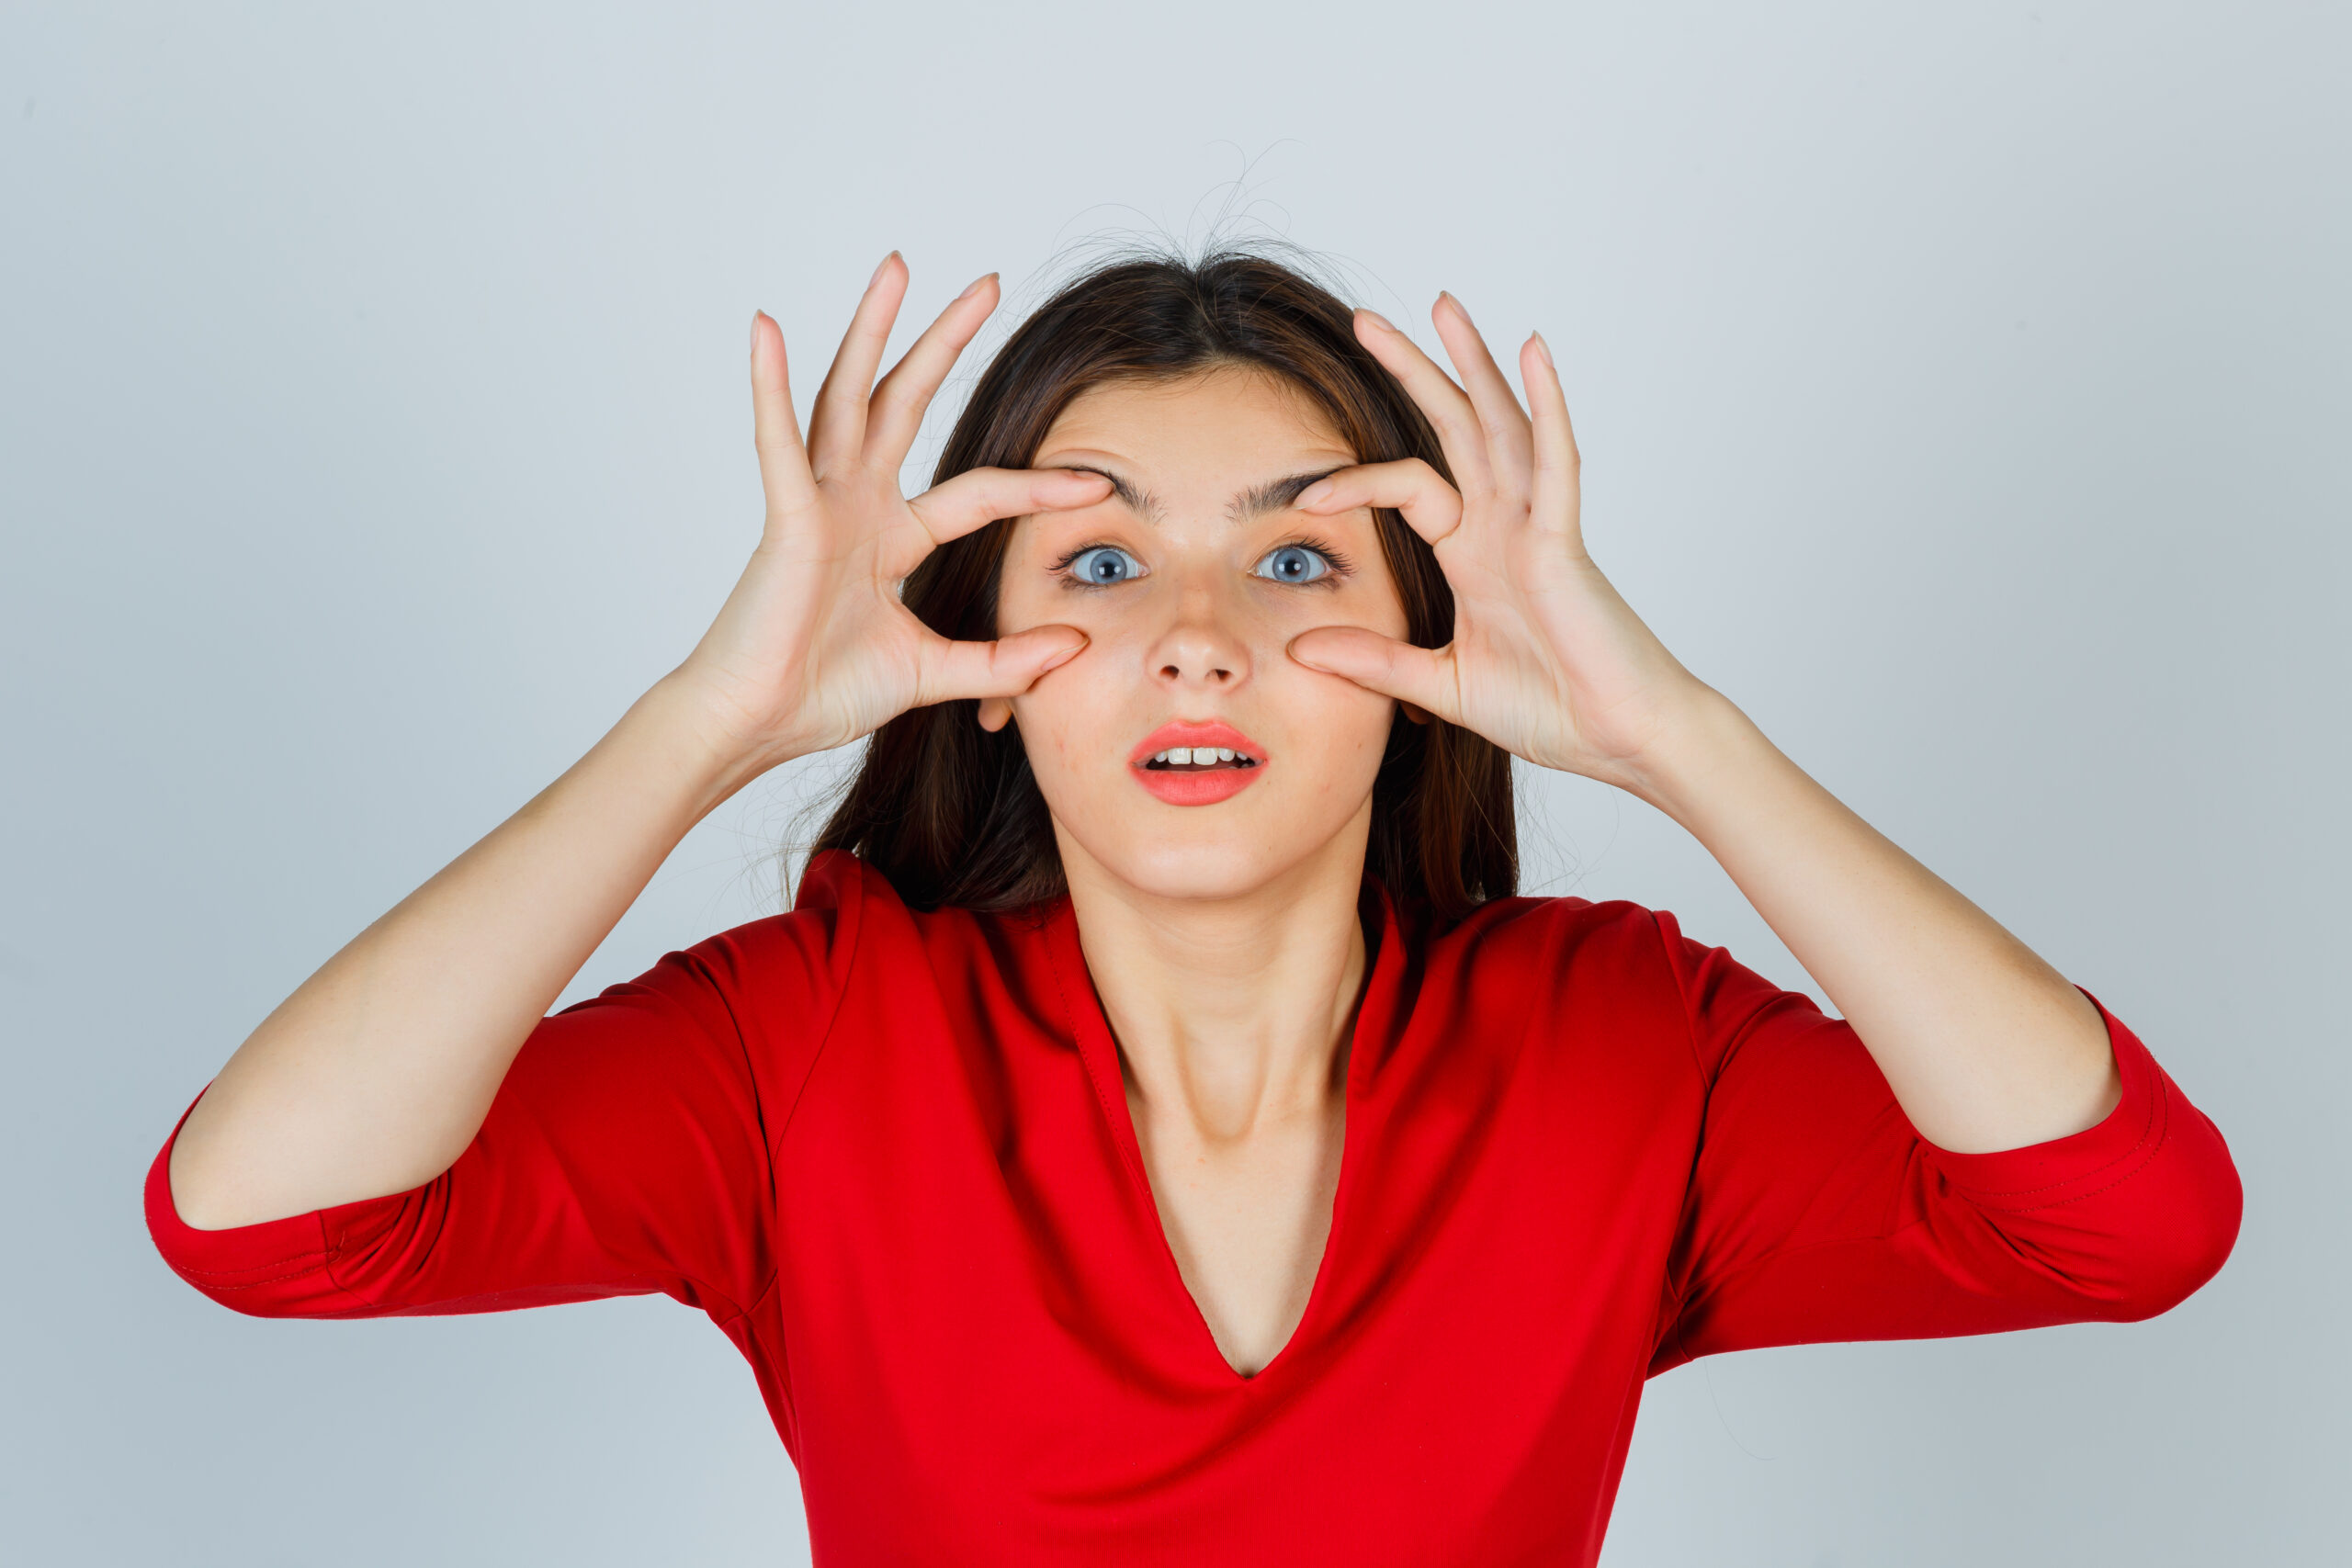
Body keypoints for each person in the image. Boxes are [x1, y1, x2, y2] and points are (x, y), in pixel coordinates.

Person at [147, 248, 2243, 1564]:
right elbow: (255, 1217)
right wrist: (706, 723)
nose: (1195, 639)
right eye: (1097, 558)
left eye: (1298, 557)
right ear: (973, 646)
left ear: (1436, 636)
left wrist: (1676, 733)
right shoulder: (812, 1038)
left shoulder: (1612, 1039)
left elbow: (2126, 1220)